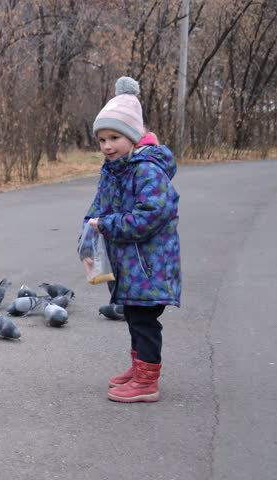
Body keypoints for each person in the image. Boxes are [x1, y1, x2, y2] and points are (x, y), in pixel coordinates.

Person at [83, 76, 182, 403]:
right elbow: (100, 206)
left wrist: (107, 225)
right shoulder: (113, 169)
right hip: (129, 265)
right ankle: (139, 368)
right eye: (102, 140)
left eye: (114, 137)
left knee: (145, 321)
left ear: (133, 137)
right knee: (133, 316)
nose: (107, 146)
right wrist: (89, 228)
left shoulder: (146, 170)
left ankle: (147, 381)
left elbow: (151, 215)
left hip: (148, 265)